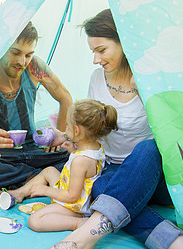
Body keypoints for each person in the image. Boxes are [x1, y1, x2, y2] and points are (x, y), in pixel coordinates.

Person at [21, 9, 183, 249]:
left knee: (148, 148)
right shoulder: (97, 80)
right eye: (93, 52)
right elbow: (95, 129)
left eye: (102, 50)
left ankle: (82, 240)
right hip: (113, 174)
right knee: (104, 187)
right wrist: (71, 138)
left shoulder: (149, 80)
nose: (96, 59)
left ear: (124, 43)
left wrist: (148, 91)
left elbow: (177, 128)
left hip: (157, 174)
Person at [0, 21, 73, 204]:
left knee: (77, 155)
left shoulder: (35, 67)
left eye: (28, 54)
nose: (22, 61)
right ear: (1, 48)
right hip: (3, 157)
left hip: (36, 150)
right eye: (15, 52)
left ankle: (14, 185)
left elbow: (65, 98)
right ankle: (41, 179)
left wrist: (59, 139)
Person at [9, 99, 118, 233]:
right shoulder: (94, 148)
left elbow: (72, 196)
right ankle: (20, 193)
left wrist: (45, 190)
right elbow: (85, 171)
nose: (65, 129)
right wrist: (72, 150)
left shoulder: (81, 160)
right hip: (68, 188)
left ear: (76, 130)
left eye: (67, 125)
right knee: (49, 171)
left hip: (73, 206)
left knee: (35, 220)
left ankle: (78, 222)